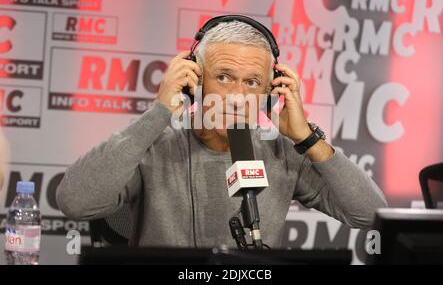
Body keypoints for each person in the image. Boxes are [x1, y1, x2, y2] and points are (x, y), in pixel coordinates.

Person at [56, 16, 387, 248]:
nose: (236, 96)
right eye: (224, 77)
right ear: (195, 81)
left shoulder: (280, 153)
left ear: (269, 94)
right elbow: (74, 201)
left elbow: (370, 214)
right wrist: (159, 113)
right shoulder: (154, 146)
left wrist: (307, 138)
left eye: (252, 83)